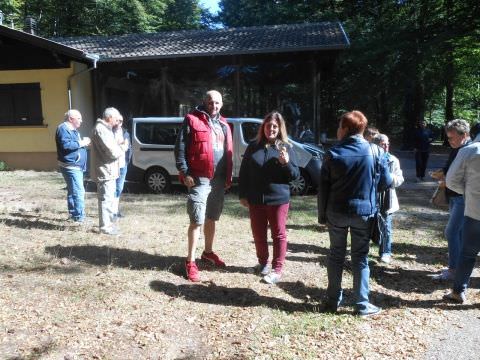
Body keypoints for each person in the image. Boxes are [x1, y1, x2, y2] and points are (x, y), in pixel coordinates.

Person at [318, 110, 392, 316]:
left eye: (339, 126)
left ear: (346, 128)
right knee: (360, 258)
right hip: (364, 213)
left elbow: (323, 188)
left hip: (336, 212)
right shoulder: (376, 152)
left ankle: (332, 301)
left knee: (335, 256)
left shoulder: (332, 153)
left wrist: (322, 216)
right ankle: (361, 304)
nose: (337, 130)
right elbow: (386, 182)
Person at [174, 90, 233, 282]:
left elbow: (228, 152)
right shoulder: (191, 120)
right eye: (210, 102)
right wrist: (185, 171)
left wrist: (227, 177)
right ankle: (190, 262)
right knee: (197, 219)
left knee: (211, 217)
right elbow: (180, 147)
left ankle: (208, 253)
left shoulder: (224, 124)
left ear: (221, 104)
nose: (213, 106)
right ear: (204, 102)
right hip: (199, 178)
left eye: (217, 103)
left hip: (218, 179)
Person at [238, 111, 300, 284]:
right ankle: (262, 263)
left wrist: (285, 163)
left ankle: (276, 269)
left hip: (278, 200)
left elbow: (295, 175)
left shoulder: (286, 147)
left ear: (280, 129)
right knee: (258, 234)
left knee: (278, 235)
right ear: (263, 127)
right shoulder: (253, 146)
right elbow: (244, 173)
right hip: (256, 199)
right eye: (268, 126)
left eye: (274, 126)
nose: (271, 129)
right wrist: (243, 194)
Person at [443, 122, 480, 303]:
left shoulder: (470, 150)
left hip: (475, 210)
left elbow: (451, 180)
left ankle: (458, 291)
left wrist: (467, 191)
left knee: (468, 253)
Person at [431, 119, 471, 281]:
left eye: (452, 138)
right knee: (459, 233)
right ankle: (457, 266)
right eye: (448, 138)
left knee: (451, 231)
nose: (450, 141)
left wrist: (448, 180)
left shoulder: (470, 151)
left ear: (465, 135)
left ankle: (454, 269)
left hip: (462, 197)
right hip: (453, 196)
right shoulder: (458, 148)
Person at [90, 107, 127, 235]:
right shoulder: (101, 130)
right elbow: (112, 152)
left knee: (110, 199)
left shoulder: (105, 129)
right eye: (116, 119)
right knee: (105, 199)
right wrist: (123, 147)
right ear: (109, 117)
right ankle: (105, 227)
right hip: (105, 171)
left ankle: (109, 225)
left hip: (109, 170)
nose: (117, 122)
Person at [372, 134, 404, 263]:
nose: (386, 146)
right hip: (371, 197)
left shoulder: (393, 160)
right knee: (368, 226)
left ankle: (385, 252)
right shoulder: (370, 158)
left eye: (387, 143)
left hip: (387, 198)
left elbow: (400, 178)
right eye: (382, 144)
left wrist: (389, 178)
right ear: (376, 145)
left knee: (385, 226)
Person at [55, 109, 90, 223]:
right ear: (71, 119)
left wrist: (83, 142)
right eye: (79, 118)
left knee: (72, 190)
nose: (81, 120)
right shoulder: (63, 129)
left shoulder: (72, 129)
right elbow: (66, 145)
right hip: (71, 166)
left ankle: (74, 214)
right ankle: (79, 217)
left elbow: (74, 144)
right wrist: (82, 143)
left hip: (75, 165)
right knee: (79, 191)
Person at [113, 115, 132, 218]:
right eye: (117, 120)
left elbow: (128, 147)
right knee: (113, 189)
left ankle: (115, 210)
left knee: (119, 188)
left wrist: (127, 160)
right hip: (112, 165)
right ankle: (112, 211)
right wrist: (121, 145)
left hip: (122, 164)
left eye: (121, 121)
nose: (119, 123)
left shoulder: (125, 133)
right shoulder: (109, 133)